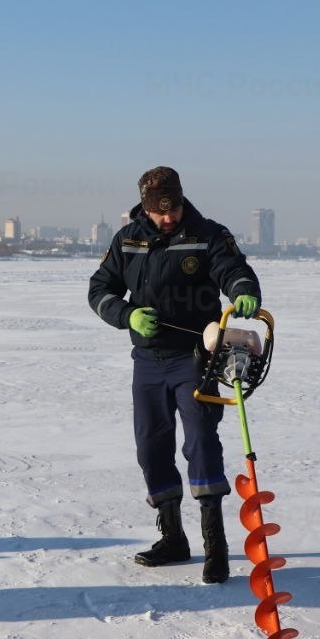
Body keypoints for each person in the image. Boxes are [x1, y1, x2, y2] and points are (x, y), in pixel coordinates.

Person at [89, 166, 261, 584]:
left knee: (201, 441)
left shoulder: (208, 233)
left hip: (194, 358)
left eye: (175, 208)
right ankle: (173, 538)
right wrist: (126, 314)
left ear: (182, 200)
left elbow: (233, 269)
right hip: (147, 360)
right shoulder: (127, 240)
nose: (170, 218)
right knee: (152, 446)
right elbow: (98, 290)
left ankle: (215, 546)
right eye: (160, 212)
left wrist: (242, 290)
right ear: (146, 208)